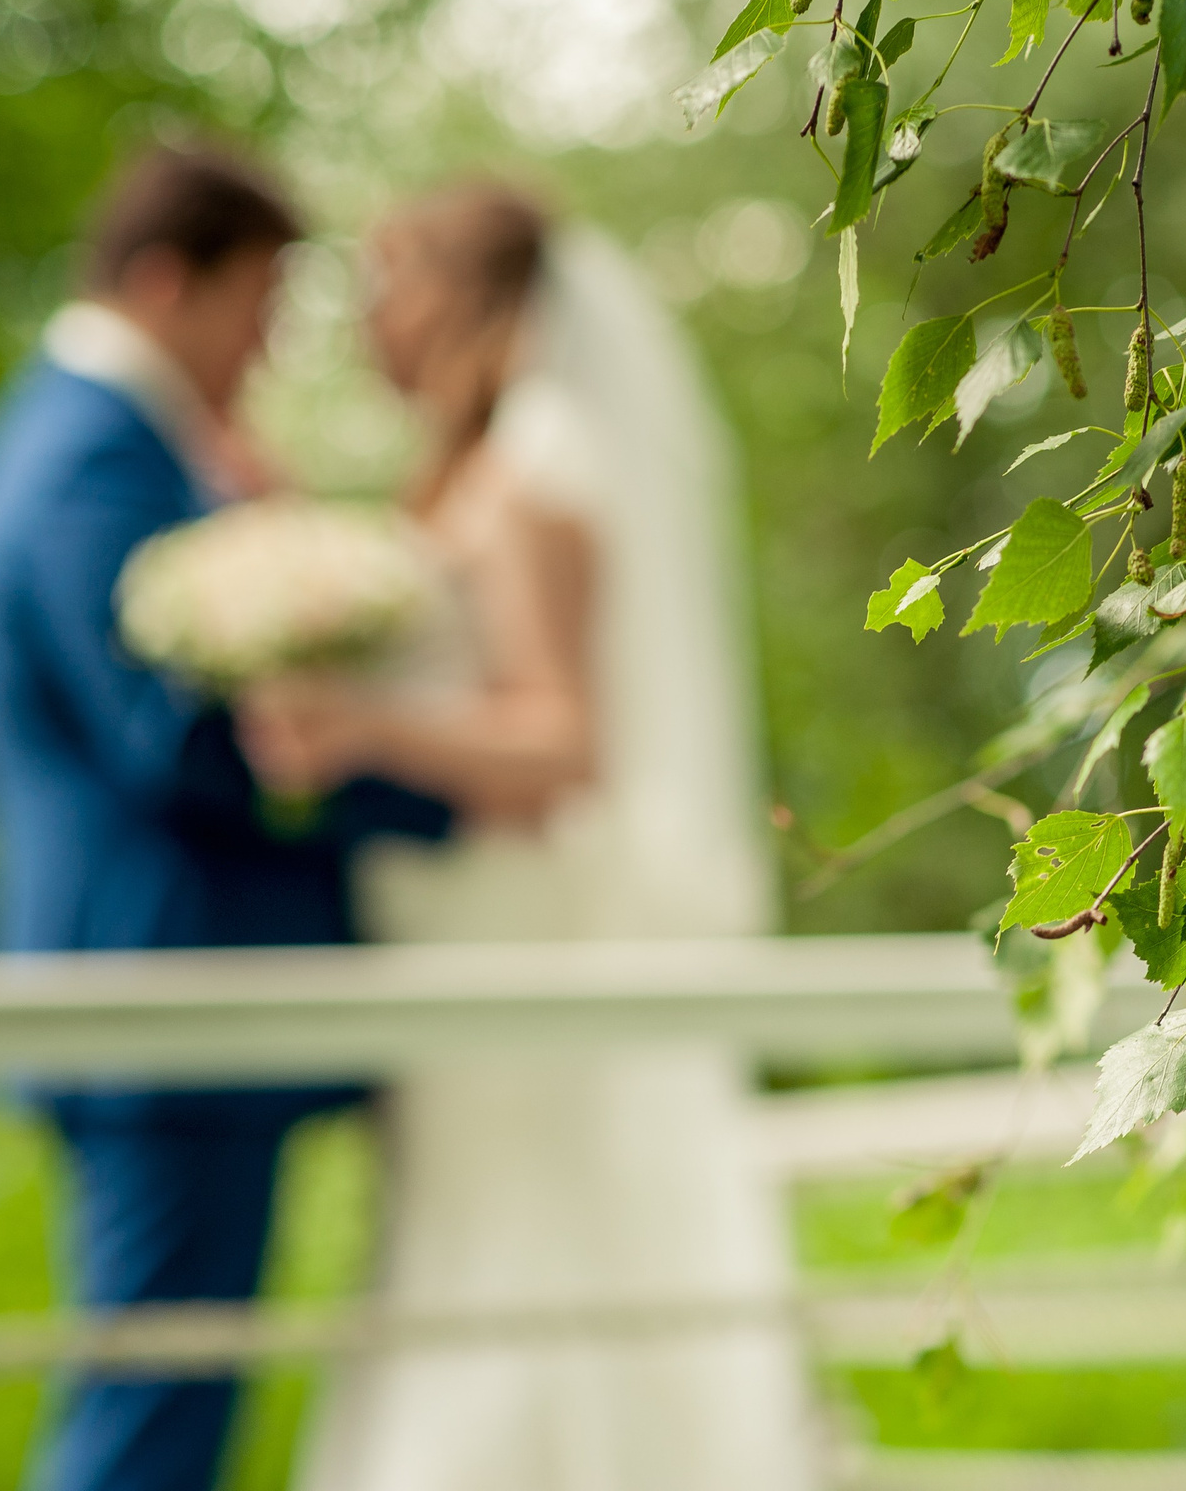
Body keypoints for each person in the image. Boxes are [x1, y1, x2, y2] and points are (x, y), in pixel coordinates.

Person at [240, 184, 822, 1491]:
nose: (369, 324)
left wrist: (361, 730)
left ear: (472, 298)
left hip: (510, 935)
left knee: (522, 1251)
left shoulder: (531, 483)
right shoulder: (480, 473)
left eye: (391, 286)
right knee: (473, 1245)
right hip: (454, 936)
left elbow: (566, 749)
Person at [0, 144, 452, 1491]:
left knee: (169, 1399)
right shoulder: (86, 462)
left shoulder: (114, 446)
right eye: (261, 309)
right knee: (149, 1420)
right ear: (171, 284)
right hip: (158, 1000)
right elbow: (183, 751)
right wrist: (437, 795)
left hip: (168, 1000)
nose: (266, 352)